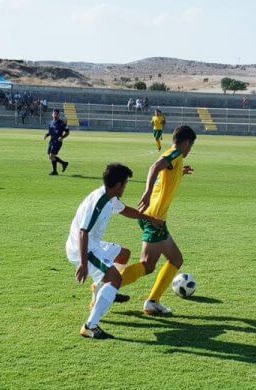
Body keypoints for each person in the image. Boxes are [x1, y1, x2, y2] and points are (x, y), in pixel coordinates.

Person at [66, 163, 164, 339]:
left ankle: (101, 290)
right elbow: (83, 231)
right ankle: (90, 326)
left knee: (123, 254)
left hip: (93, 245)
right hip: (83, 248)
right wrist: (82, 263)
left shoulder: (110, 197)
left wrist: (150, 219)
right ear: (118, 185)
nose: (125, 187)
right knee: (116, 278)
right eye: (125, 184)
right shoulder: (98, 201)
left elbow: (125, 210)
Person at [118, 126, 197, 315]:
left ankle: (151, 301)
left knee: (170, 260)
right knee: (151, 264)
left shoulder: (176, 158)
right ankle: (108, 286)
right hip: (155, 218)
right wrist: (146, 192)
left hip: (153, 216)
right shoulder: (176, 153)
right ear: (186, 142)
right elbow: (155, 166)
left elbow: (166, 175)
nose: (190, 150)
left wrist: (181, 173)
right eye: (191, 145)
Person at [44, 108, 70, 175]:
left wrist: (62, 137)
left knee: (51, 155)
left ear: (59, 115)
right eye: (54, 113)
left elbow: (67, 132)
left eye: (57, 114)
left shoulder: (62, 123)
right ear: (52, 114)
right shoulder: (50, 123)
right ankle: (63, 164)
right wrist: (47, 135)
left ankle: (56, 169)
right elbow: (50, 132)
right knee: (50, 156)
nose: (55, 115)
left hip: (58, 141)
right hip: (52, 141)